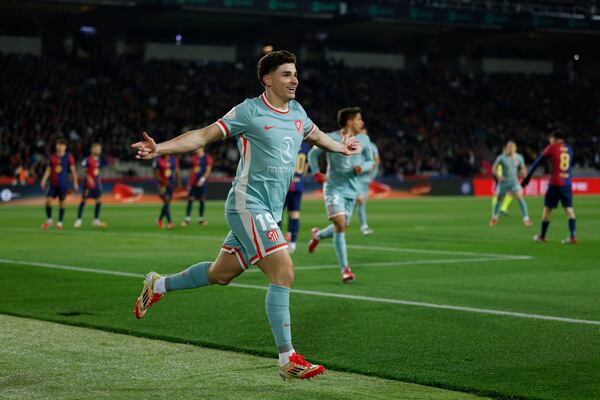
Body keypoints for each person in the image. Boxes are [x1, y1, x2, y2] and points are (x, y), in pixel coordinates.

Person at [131, 50, 360, 380]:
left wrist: (340, 147)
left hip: (268, 210)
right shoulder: (249, 111)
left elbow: (315, 135)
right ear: (268, 80)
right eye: (286, 74)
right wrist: (160, 148)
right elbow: (203, 135)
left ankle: (158, 285)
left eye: (295, 74)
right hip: (246, 204)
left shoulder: (297, 111)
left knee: (220, 274)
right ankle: (287, 359)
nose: (294, 79)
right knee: (283, 270)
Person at [307, 107, 374, 283]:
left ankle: (318, 236)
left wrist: (363, 167)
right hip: (333, 188)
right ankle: (345, 269)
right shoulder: (331, 137)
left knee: (340, 227)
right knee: (340, 224)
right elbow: (313, 154)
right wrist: (316, 173)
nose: (362, 123)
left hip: (352, 189)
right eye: (359, 119)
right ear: (350, 121)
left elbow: (371, 160)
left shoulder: (364, 140)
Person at [521, 130, 576, 244]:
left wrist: (528, 177)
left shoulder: (552, 147)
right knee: (569, 210)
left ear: (555, 139)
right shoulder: (569, 149)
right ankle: (572, 236)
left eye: (551, 139)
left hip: (555, 183)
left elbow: (538, 161)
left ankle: (542, 236)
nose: (550, 141)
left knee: (547, 209)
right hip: (567, 183)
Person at [489, 141, 531, 227]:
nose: (510, 149)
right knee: (499, 200)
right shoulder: (501, 158)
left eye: (512, 147)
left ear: (515, 148)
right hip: (503, 182)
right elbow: (494, 168)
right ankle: (494, 218)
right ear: (506, 148)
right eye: (509, 147)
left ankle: (526, 219)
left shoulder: (519, 158)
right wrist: (498, 176)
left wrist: (524, 172)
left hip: (513, 182)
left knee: (520, 198)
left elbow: (523, 168)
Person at [40, 138, 78, 230]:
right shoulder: (52, 157)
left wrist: (75, 182)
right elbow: (48, 169)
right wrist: (44, 179)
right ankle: (49, 221)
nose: (60, 147)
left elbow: (73, 170)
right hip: (52, 184)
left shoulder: (68, 156)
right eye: (58, 144)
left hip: (63, 184)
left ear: (65, 147)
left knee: (62, 203)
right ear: (56, 146)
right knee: (48, 201)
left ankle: (60, 222)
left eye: (62, 145)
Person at [283, 142, 310, 253]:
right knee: (295, 214)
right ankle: (293, 242)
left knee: (277, 213)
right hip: (298, 184)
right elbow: (306, 166)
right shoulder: (304, 146)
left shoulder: (288, 142)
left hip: (286, 184)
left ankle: (276, 243)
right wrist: (300, 177)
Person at [75, 143, 107, 228]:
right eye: (96, 148)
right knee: (84, 201)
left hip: (97, 184)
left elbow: (98, 171)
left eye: (99, 149)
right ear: (92, 149)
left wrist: (99, 180)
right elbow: (83, 170)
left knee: (99, 201)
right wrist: (88, 178)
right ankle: (78, 220)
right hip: (88, 185)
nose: (98, 150)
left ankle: (96, 220)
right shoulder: (87, 159)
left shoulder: (99, 160)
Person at [355, 128, 379, 236]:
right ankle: (364, 227)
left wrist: (370, 169)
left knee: (358, 204)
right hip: (357, 178)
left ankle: (340, 221)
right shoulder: (355, 144)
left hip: (366, 179)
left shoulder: (372, 146)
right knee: (360, 202)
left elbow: (377, 160)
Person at [182, 147, 212, 226]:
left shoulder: (207, 158)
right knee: (190, 200)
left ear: (202, 148)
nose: (196, 149)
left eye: (198, 147)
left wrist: (202, 180)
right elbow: (192, 170)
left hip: (202, 183)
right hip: (193, 183)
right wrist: (189, 182)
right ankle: (187, 219)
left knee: (202, 200)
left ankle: (201, 219)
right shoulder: (194, 158)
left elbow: (208, 170)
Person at [153, 154, 180, 229]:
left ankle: (159, 220)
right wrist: (162, 182)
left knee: (167, 203)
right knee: (166, 201)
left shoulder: (174, 159)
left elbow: (176, 171)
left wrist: (178, 182)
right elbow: (155, 174)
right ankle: (170, 223)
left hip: (171, 184)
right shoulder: (158, 160)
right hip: (162, 185)